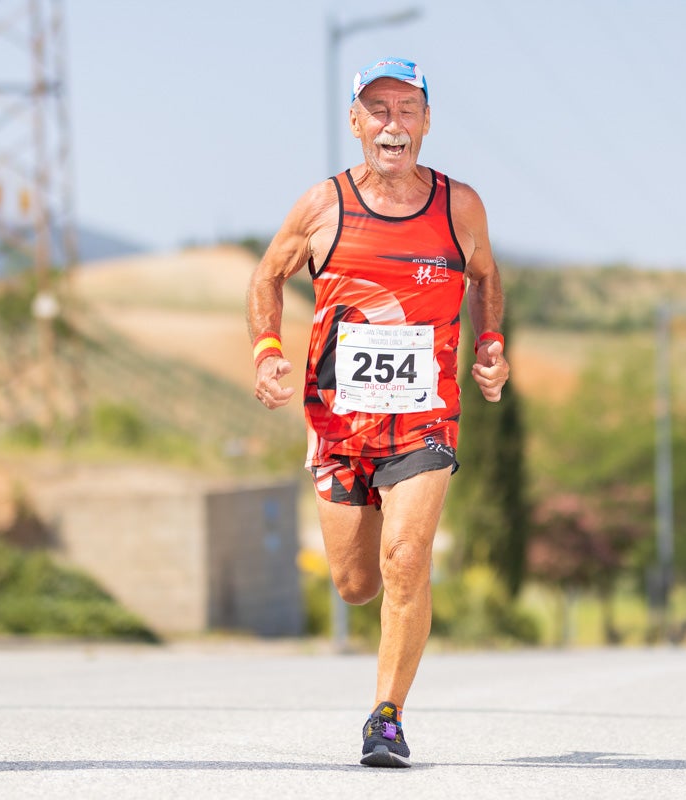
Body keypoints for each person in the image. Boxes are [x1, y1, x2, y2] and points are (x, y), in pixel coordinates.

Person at [246, 57, 509, 768]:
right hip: (339, 422)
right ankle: (384, 603)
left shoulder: (459, 207)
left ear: (426, 122)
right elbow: (267, 276)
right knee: (356, 583)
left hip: (425, 419)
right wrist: (268, 350)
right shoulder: (322, 205)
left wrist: (490, 343)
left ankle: (386, 718)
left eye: (406, 109)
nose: (393, 124)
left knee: (406, 558)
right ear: (356, 122)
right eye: (378, 110)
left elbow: (486, 277)